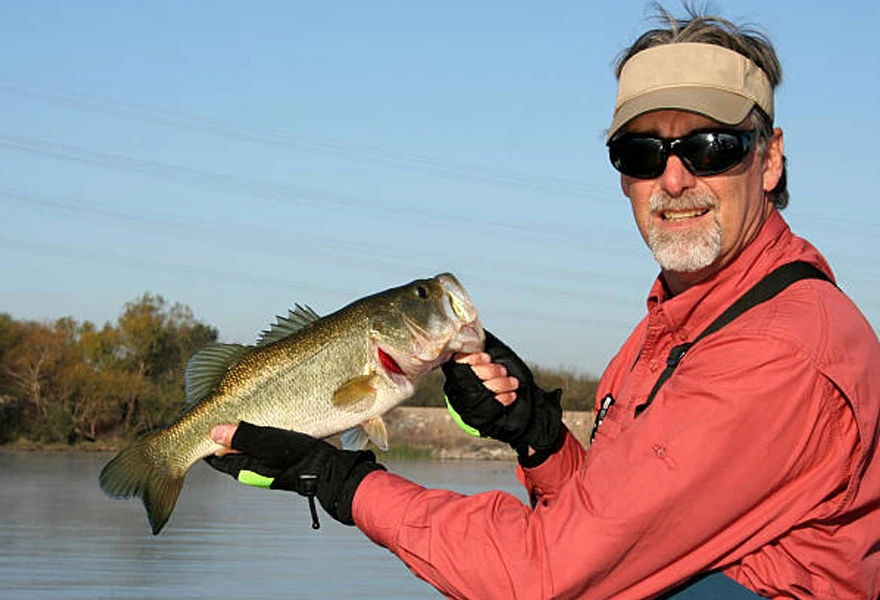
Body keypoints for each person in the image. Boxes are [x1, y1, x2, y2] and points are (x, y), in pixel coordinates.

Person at [206, 7, 879, 599]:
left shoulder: (777, 350)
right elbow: (619, 525)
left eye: (711, 146)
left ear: (770, 159)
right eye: (642, 152)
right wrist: (540, 437)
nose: (674, 179)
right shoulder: (671, 329)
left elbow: (548, 576)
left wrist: (343, 480)